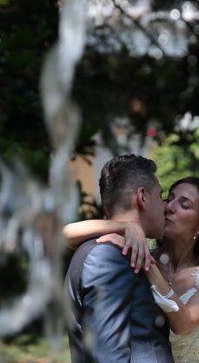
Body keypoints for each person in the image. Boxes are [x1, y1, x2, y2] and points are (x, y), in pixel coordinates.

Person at [63, 176, 199, 363]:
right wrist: (124, 227)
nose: (169, 207)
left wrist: (149, 269)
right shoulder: (141, 253)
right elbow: (65, 234)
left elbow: (183, 324)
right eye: (168, 198)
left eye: (184, 205)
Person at [64, 154, 173, 363]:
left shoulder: (103, 250)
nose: (165, 206)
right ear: (142, 197)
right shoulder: (108, 256)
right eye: (160, 196)